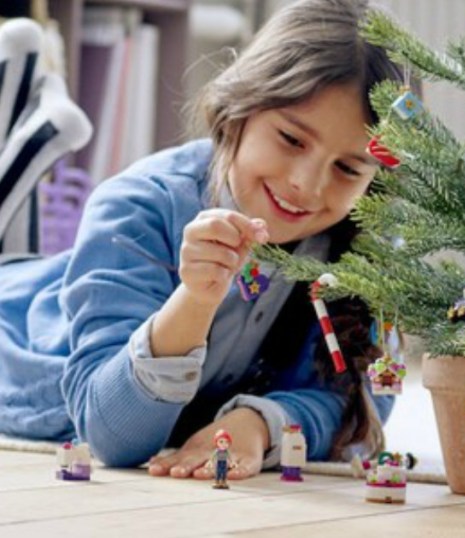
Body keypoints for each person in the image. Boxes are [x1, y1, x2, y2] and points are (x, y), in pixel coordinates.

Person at [0, 0, 403, 480]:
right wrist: (194, 300)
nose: (307, 185)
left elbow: (365, 403)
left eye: (347, 168)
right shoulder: (135, 205)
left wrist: (260, 424)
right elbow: (114, 437)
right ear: (241, 108)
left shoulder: (365, 247)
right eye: (292, 140)